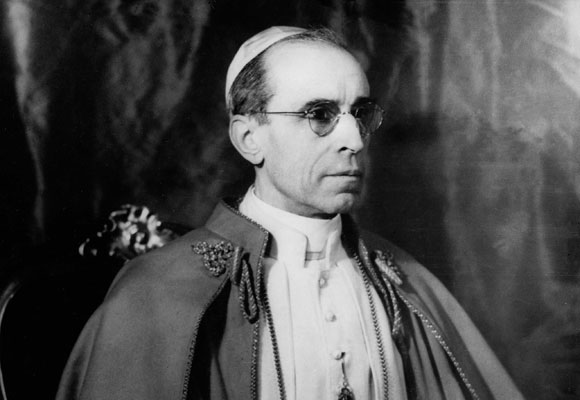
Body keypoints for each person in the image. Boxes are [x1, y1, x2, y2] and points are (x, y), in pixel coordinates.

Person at [56, 26, 523, 400]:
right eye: (319, 114)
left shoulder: (405, 280)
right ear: (249, 139)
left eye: (360, 114)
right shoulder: (158, 291)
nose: (354, 141)